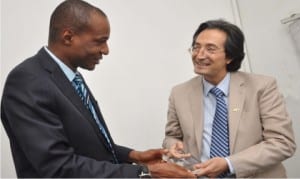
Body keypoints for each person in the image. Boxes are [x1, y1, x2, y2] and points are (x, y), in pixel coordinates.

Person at [0, 0, 196, 178]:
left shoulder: (70, 77)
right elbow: (58, 167)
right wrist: (144, 173)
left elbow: (89, 148)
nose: (106, 50)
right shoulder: (28, 81)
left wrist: (134, 155)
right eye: (100, 41)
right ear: (68, 37)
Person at [162, 19, 296, 178]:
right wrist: (173, 146)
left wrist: (229, 163)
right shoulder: (179, 93)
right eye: (196, 47)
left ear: (230, 56)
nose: (199, 55)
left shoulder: (262, 87)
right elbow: (172, 136)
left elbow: (282, 143)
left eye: (210, 49)